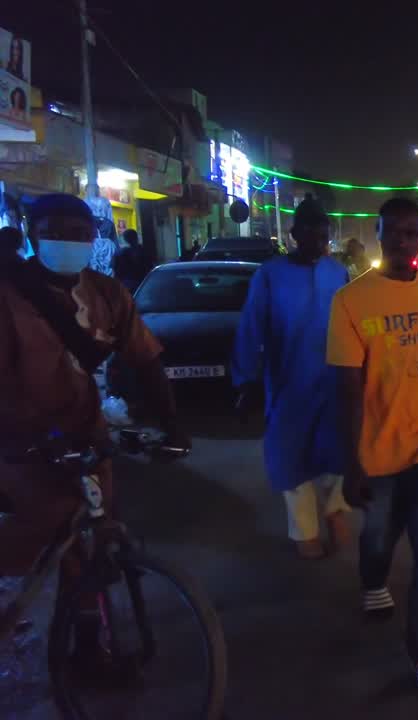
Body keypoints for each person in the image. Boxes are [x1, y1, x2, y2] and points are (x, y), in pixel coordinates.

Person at [0, 193, 188, 673]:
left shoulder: (107, 294)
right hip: (23, 448)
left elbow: (146, 360)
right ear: (31, 232)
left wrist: (172, 429)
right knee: (34, 543)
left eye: (80, 233)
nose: (69, 241)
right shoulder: (9, 295)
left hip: (87, 440)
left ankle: (87, 647)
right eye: (56, 231)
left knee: (93, 547)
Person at [328, 196, 418, 695]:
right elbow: (346, 386)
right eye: (394, 233)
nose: (403, 242)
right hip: (379, 447)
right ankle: (372, 582)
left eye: (412, 234)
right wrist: (351, 462)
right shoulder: (351, 300)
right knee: (377, 538)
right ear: (378, 235)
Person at [233, 195, 351, 559]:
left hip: (333, 382)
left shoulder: (338, 272)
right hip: (288, 383)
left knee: (338, 452)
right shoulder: (270, 274)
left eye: (323, 228)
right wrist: (245, 379)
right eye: (309, 228)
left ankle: (335, 512)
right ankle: (305, 533)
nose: (317, 235)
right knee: (292, 457)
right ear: (294, 232)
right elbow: (252, 327)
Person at [112, 229, 154, 293]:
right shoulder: (144, 251)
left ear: (125, 240)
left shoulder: (119, 254)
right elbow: (151, 268)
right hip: (145, 285)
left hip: (128, 287)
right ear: (137, 238)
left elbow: (116, 273)